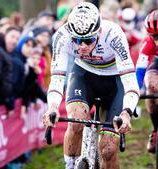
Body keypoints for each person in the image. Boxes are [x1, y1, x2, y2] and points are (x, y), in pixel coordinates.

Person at [42, 2, 139, 169]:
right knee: (76, 121)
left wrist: (126, 113)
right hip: (84, 75)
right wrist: (52, 107)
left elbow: (130, 80)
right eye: (77, 40)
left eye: (88, 40)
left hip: (114, 81)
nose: (82, 46)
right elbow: (57, 77)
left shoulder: (114, 35)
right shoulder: (62, 36)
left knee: (108, 150)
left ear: (99, 32)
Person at [135, 10, 158, 153]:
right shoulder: (148, 43)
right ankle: (156, 130)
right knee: (151, 86)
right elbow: (140, 69)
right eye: (155, 36)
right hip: (157, 63)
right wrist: (135, 91)